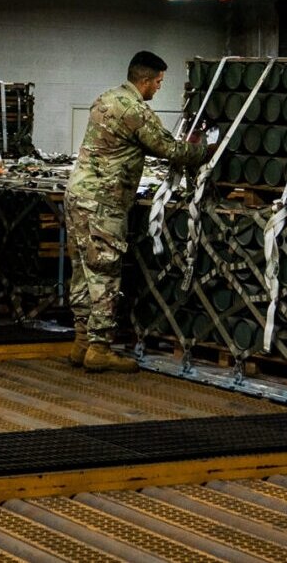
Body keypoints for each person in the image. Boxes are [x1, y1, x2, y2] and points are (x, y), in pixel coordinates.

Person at [64, 50, 208, 373]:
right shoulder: (135, 111)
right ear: (144, 80)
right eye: (158, 82)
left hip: (77, 196)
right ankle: (99, 349)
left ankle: (81, 341)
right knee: (104, 271)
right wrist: (205, 151)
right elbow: (169, 149)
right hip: (104, 203)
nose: (158, 88)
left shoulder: (105, 99)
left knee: (81, 271)